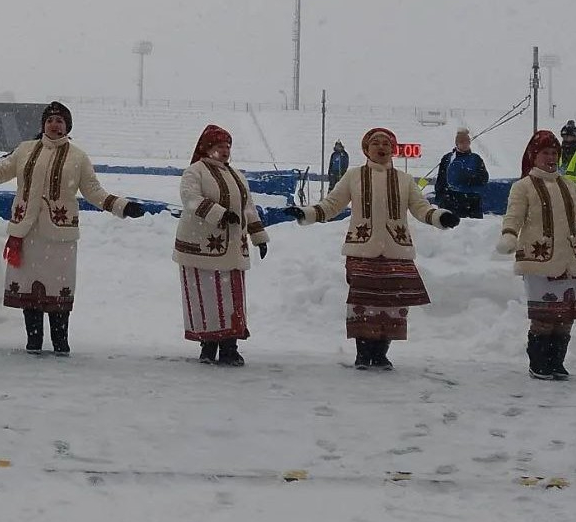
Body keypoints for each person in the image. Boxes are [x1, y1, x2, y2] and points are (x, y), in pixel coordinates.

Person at [0, 101, 145, 356]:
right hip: (26, 232)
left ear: (67, 127)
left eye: (60, 121)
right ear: (43, 125)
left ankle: (60, 344)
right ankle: (33, 343)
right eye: (50, 120)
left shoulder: (78, 157)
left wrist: (123, 206)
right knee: (29, 293)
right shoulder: (25, 149)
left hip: (59, 237)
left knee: (57, 293)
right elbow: (0, 171)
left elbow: (93, 191)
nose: (54, 125)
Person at [283, 127, 459, 370]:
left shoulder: (405, 180)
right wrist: (305, 213)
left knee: (392, 304)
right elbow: (332, 204)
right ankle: (363, 353)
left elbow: (421, 208)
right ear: (366, 149)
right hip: (362, 249)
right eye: (375, 143)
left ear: (393, 150)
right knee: (364, 302)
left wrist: (441, 217)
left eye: (386, 143)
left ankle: (381, 353)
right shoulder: (353, 176)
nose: (381, 147)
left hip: (396, 250)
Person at [497, 130, 576, 380]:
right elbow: (513, 216)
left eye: (554, 153)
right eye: (545, 153)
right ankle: (539, 363)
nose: (551, 158)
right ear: (533, 156)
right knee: (545, 316)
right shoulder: (523, 187)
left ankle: (556, 362)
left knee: (566, 317)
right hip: (539, 261)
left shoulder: (568, 185)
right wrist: (509, 235)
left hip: (572, 260)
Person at [173, 125, 269, 366]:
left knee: (231, 300)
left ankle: (229, 347)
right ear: (207, 149)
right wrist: (219, 213)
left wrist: (258, 237)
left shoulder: (236, 175)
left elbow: (248, 207)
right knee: (207, 300)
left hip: (233, 249)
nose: (225, 151)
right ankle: (208, 345)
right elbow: (190, 198)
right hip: (202, 249)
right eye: (219, 146)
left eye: (227, 146)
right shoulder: (195, 172)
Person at [434, 127, 489, 218]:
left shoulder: (476, 158)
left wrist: (469, 179)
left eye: (467, 142)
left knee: (474, 226)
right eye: (462, 142)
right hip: (451, 200)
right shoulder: (448, 158)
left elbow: (484, 178)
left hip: (472, 200)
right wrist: (440, 198)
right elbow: (441, 179)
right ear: (457, 144)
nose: (465, 145)